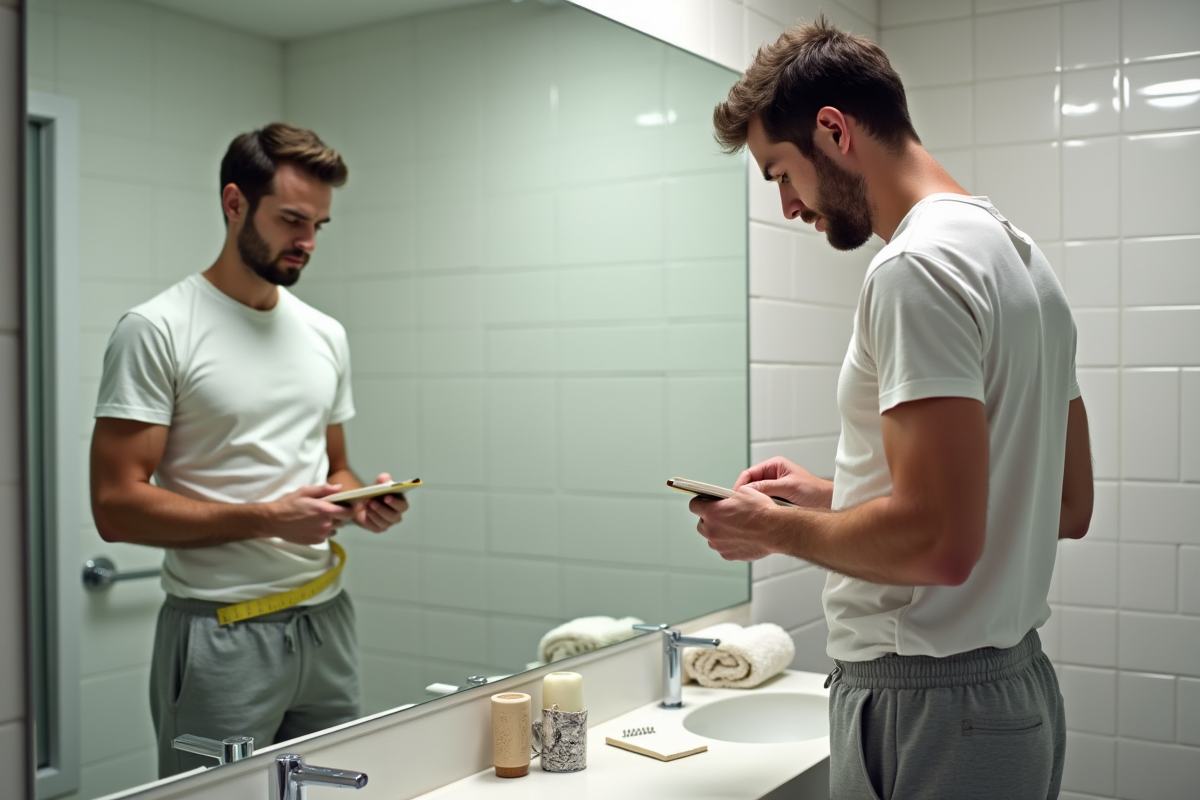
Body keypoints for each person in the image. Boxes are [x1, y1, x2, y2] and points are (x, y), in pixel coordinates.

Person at [694, 17, 1093, 800]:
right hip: (1011, 694)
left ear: (834, 131)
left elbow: (941, 544)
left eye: (780, 172)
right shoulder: (1021, 260)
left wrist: (770, 527)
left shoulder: (914, 268)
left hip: (932, 707)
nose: (787, 205)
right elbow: (1062, 503)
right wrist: (836, 500)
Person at [89, 123, 408, 777]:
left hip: (326, 623)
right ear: (234, 203)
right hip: (219, 632)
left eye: (320, 224)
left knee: (336, 794)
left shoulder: (325, 334)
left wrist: (359, 500)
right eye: (292, 219)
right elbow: (116, 509)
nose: (308, 242)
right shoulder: (157, 330)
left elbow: (333, 465)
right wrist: (270, 517)